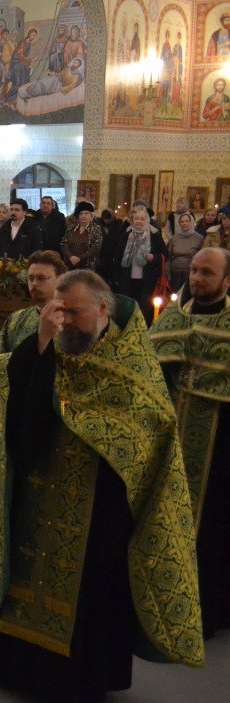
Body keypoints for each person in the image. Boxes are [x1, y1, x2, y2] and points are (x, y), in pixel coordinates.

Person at [0, 270, 203, 703]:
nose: (64, 324)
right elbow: (21, 399)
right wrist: (40, 344)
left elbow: (147, 434)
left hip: (100, 507)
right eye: (57, 313)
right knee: (31, 576)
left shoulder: (132, 365)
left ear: (103, 309)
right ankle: (19, 668)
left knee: (90, 597)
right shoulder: (54, 347)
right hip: (42, 494)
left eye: (74, 314)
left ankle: (78, 686)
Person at [0, 250, 66, 568]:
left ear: (59, 279)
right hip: (11, 421)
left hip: (48, 422)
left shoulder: (71, 322)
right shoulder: (17, 320)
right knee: (6, 485)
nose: (34, 284)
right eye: (31, 278)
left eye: (42, 278)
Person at [152, 247, 230, 639]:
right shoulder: (175, 316)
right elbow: (148, 366)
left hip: (221, 447)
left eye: (207, 273)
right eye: (194, 271)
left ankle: (210, 607)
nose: (197, 279)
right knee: (169, 515)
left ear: (226, 280)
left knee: (215, 524)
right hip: (176, 436)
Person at [108, 204, 167, 324]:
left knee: (144, 309)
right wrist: (116, 278)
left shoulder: (154, 235)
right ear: (132, 220)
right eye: (136, 219)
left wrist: (154, 257)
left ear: (147, 220)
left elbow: (165, 254)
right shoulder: (126, 234)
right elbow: (117, 257)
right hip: (127, 279)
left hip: (147, 280)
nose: (139, 221)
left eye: (142, 219)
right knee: (128, 308)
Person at [60, 203, 104, 271]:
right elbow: (63, 244)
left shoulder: (96, 229)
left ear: (91, 217)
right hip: (70, 264)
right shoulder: (71, 228)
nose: (83, 216)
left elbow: (96, 247)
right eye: (81, 213)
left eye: (86, 213)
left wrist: (79, 258)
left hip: (87, 265)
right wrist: (70, 257)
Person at [167, 212, 203, 294]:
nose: (184, 223)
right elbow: (168, 256)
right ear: (179, 224)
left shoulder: (199, 238)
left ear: (191, 222)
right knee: (174, 296)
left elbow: (201, 258)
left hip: (190, 273)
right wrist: (167, 272)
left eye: (187, 221)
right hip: (175, 273)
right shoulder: (174, 238)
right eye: (182, 222)